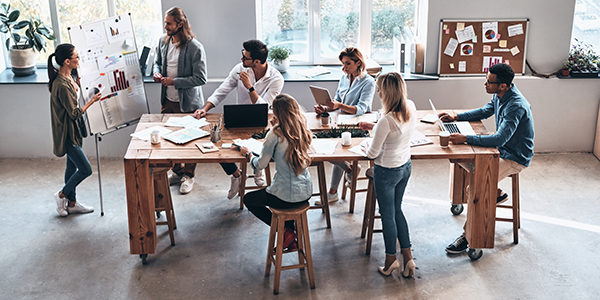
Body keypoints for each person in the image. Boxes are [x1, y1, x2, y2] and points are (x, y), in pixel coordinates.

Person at [439, 63, 535, 254]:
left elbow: (500, 138)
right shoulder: (500, 95)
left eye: (490, 82)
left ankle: (469, 238)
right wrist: (456, 117)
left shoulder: (515, 105)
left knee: (476, 188)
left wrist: (465, 138)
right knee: (459, 159)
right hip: (501, 149)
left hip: (515, 156)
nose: (485, 84)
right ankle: (496, 192)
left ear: (503, 85)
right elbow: (485, 111)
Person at [193, 39, 284, 199]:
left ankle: (258, 167)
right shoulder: (240, 69)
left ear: (256, 61)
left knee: (263, 143)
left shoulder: (276, 79)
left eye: (245, 57)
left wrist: (250, 87)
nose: (242, 60)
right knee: (217, 146)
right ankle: (236, 174)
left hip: (263, 121)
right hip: (239, 119)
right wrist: (204, 108)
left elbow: (264, 107)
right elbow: (222, 90)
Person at [358, 72, 417, 278]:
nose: (378, 92)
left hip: (387, 171)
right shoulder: (410, 106)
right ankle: (408, 258)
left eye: (379, 88)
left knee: (387, 215)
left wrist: (370, 139)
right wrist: (375, 129)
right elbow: (396, 132)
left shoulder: (386, 120)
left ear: (387, 92)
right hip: (404, 166)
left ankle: (391, 259)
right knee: (397, 210)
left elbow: (372, 154)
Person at [242, 94, 313, 250]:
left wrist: (249, 155)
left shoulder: (274, 134)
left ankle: (285, 231)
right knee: (284, 200)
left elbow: (261, 164)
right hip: (306, 193)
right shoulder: (302, 129)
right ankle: (292, 240)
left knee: (249, 199)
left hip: (285, 196)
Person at [153, 6, 207, 194]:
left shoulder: (195, 47)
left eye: (169, 23)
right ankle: (177, 171)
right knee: (167, 138)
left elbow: (201, 78)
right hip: (167, 100)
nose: (165, 26)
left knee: (190, 141)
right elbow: (157, 62)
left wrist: (174, 82)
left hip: (189, 104)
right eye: (165, 22)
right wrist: (156, 72)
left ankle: (188, 176)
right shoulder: (163, 41)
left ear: (180, 24)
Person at [314, 47, 375, 205]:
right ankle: (349, 170)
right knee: (320, 145)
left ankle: (332, 192)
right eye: (343, 63)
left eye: (348, 63)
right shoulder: (344, 77)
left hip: (358, 126)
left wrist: (339, 104)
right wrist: (326, 108)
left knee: (334, 150)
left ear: (358, 62)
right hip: (340, 122)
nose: (344, 67)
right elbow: (337, 102)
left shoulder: (368, 82)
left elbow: (361, 109)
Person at [48, 43, 101, 217]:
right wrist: (92, 101)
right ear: (67, 61)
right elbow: (73, 113)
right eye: (76, 57)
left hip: (74, 130)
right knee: (85, 169)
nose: (79, 59)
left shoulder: (69, 77)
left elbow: (73, 98)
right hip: (67, 133)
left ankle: (72, 203)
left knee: (71, 169)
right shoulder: (61, 85)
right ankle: (61, 195)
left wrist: (78, 84)